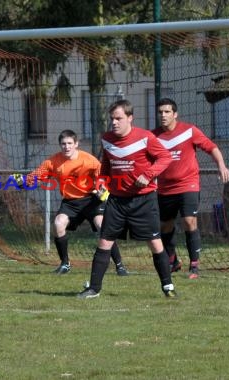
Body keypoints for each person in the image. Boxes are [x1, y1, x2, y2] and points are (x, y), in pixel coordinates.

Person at [78, 99, 177, 299]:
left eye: (119, 118)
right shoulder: (106, 139)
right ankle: (94, 289)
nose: (114, 122)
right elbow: (106, 163)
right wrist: (102, 181)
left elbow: (165, 157)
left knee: (155, 243)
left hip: (144, 200)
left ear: (130, 118)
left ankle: (168, 287)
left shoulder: (145, 137)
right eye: (112, 118)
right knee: (104, 242)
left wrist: (148, 174)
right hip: (117, 201)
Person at [23, 129, 128, 276]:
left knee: (102, 226)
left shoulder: (89, 160)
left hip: (91, 200)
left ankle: (120, 266)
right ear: (60, 145)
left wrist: (102, 189)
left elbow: (103, 177)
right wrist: (22, 182)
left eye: (69, 143)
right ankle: (65, 264)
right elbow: (36, 177)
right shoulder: (52, 162)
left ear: (76, 144)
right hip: (70, 202)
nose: (66, 147)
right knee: (58, 224)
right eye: (63, 144)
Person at [152, 98, 229, 279]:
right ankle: (173, 261)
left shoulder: (189, 130)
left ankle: (194, 266)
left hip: (188, 184)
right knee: (165, 226)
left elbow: (212, 147)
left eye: (167, 112)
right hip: (164, 188)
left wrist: (222, 165)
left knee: (189, 221)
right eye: (160, 112)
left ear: (175, 114)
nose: (163, 115)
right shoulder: (153, 136)